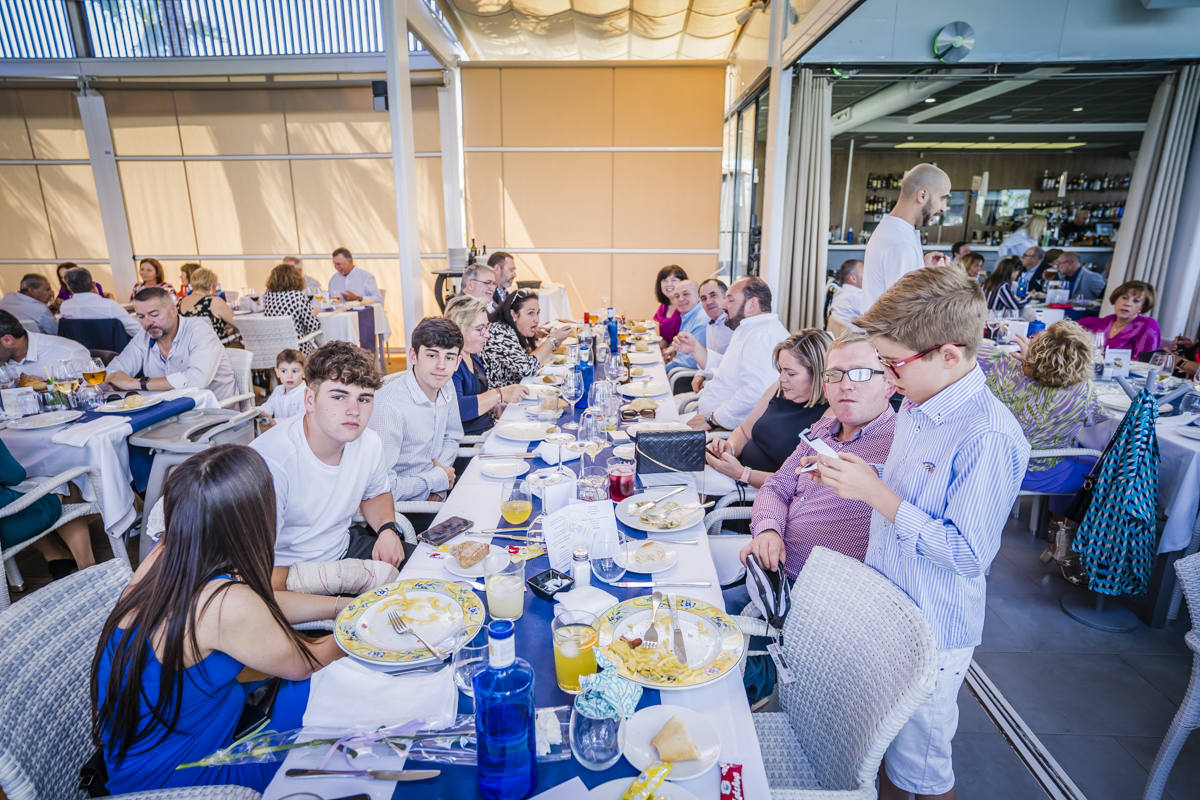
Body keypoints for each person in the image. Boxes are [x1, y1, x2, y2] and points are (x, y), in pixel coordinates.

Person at [816, 265, 1029, 800]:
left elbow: (967, 553)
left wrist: (875, 494)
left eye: (893, 364)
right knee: (881, 746)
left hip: (933, 627)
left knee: (924, 769)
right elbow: (915, 489)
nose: (887, 378)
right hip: (889, 604)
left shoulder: (987, 435)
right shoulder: (917, 403)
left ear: (949, 355)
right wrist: (862, 474)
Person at [91, 445, 346, 793]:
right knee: (336, 698)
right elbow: (308, 662)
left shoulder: (166, 557)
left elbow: (257, 606)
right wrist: (362, 626)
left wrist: (338, 606)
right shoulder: (226, 604)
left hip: (160, 748)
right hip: (182, 781)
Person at [714, 331, 897, 584]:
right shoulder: (821, 430)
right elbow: (776, 486)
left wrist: (742, 474)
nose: (846, 385)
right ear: (825, 386)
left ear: (889, 385)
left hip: (814, 593)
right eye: (835, 374)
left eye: (861, 373)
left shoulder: (899, 449)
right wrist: (768, 530)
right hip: (767, 571)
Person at [250, 341, 408, 587]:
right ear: (309, 399)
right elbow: (250, 572)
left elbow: (375, 493)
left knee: (429, 578)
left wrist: (387, 529)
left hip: (343, 550)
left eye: (364, 399)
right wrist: (336, 596)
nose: (354, 410)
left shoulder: (369, 442)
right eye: (338, 396)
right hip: (284, 576)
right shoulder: (270, 462)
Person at [980, 321, 1105, 502]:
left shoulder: (1000, 364)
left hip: (993, 462)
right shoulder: (1083, 390)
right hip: (1042, 474)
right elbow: (1099, 420)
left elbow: (969, 348)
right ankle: (1059, 518)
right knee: (1099, 467)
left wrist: (1029, 362)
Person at [704, 329, 831, 490]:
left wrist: (743, 474)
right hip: (734, 477)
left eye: (791, 373)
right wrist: (730, 449)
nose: (781, 378)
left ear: (818, 374)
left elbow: (802, 481)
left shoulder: (828, 416)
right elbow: (744, 431)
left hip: (759, 492)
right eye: (781, 370)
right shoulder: (778, 389)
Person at [675, 276, 789, 432]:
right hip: (709, 416)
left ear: (752, 305)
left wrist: (714, 419)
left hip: (719, 429)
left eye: (730, 300)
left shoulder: (762, 336)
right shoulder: (752, 330)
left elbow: (757, 392)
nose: (723, 306)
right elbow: (730, 369)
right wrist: (694, 348)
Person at [369, 318, 464, 502]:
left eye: (449, 357)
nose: (441, 366)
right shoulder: (389, 407)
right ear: (413, 356)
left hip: (440, 489)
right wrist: (434, 480)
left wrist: (441, 477)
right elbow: (380, 487)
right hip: (405, 506)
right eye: (432, 355)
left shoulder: (446, 383)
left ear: (457, 362)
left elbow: (452, 437)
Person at [107, 287, 236, 401]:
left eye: (154, 314)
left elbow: (197, 381)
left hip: (215, 413)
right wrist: (117, 378)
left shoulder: (199, 330)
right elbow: (112, 371)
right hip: (170, 411)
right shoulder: (144, 336)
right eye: (141, 317)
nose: (147, 323)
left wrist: (136, 383)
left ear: (173, 310)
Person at [0, 439, 96, 580]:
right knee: (66, 478)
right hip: (13, 526)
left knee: (18, 491)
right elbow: (15, 475)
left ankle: (56, 556)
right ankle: (87, 567)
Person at [861, 163, 952, 310]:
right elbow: (907, 311)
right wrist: (937, 278)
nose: (943, 208)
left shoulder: (893, 230)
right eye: (942, 198)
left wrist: (923, 269)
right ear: (922, 195)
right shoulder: (901, 243)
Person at [445, 295, 529, 435]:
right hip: (472, 441)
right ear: (458, 329)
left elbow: (477, 398)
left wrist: (495, 407)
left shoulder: (472, 355)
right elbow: (457, 409)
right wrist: (499, 394)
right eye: (480, 329)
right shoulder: (451, 363)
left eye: (487, 327)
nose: (487, 335)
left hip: (488, 429)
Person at [481, 289, 572, 389]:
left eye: (537, 313)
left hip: (517, 390)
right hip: (503, 396)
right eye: (530, 313)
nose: (537, 320)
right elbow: (527, 369)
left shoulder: (513, 328)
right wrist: (552, 340)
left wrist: (538, 336)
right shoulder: (499, 332)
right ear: (514, 314)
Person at [1079, 280, 1161, 358]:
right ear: (1116, 299)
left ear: (1142, 306)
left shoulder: (1147, 325)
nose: (1128, 303)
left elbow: (1144, 362)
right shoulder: (1108, 320)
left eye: (1136, 301)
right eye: (1124, 298)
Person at [0, 309, 90, 379]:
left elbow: (89, 394)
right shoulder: (4, 357)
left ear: (8, 340)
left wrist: (46, 386)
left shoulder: (70, 354)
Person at [59, 267, 142, 338]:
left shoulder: (65, 307)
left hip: (80, 350)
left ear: (68, 287)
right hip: (114, 350)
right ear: (92, 284)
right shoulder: (109, 305)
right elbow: (137, 331)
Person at [263, 263, 322, 355]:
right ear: (295, 278)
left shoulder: (268, 295)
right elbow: (313, 327)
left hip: (275, 348)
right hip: (297, 349)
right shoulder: (297, 296)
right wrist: (313, 314)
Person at [178, 267, 239, 345]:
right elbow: (240, 325)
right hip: (216, 349)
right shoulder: (213, 302)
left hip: (188, 350)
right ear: (211, 286)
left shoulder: (179, 302)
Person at [663, 281, 707, 371]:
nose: (680, 299)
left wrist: (663, 367)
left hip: (686, 374)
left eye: (686, 294)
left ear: (699, 296)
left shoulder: (701, 320)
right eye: (677, 296)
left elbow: (692, 361)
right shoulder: (688, 315)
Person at [258, 349, 307, 421]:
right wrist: (258, 411)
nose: (289, 376)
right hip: (279, 427)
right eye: (284, 371)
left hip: (294, 428)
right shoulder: (278, 390)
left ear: (304, 372)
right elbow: (268, 406)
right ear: (277, 372)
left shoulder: (305, 394)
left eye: (294, 371)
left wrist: (275, 421)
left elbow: (300, 420)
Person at [652, 265, 688, 346]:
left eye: (673, 280)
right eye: (665, 280)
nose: (669, 284)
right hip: (666, 349)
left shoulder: (686, 306)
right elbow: (657, 330)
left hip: (681, 350)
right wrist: (663, 342)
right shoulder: (664, 306)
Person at [827, 259, 864, 336]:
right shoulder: (856, 295)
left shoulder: (839, 293)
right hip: (855, 340)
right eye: (865, 273)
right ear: (853, 278)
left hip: (840, 339)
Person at [698, 278, 732, 357]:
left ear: (726, 296)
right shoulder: (710, 325)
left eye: (713, 295)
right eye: (704, 298)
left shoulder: (735, 324)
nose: (708, 302)